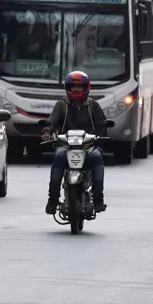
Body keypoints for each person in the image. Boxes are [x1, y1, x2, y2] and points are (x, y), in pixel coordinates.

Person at [43, 70, 107, 215]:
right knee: (58, 158)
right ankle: (52, 200)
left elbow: (102, 126)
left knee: (97, 158)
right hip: (65, 147)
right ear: (67, 88)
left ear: (87, 88)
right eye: (73, 87)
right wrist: (47, 133)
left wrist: (101, 135)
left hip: (88, 148)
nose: (76, 90)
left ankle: (98, 199)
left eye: (80, 87)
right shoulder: (61, 105)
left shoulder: (93, 106)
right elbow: (51, 122)